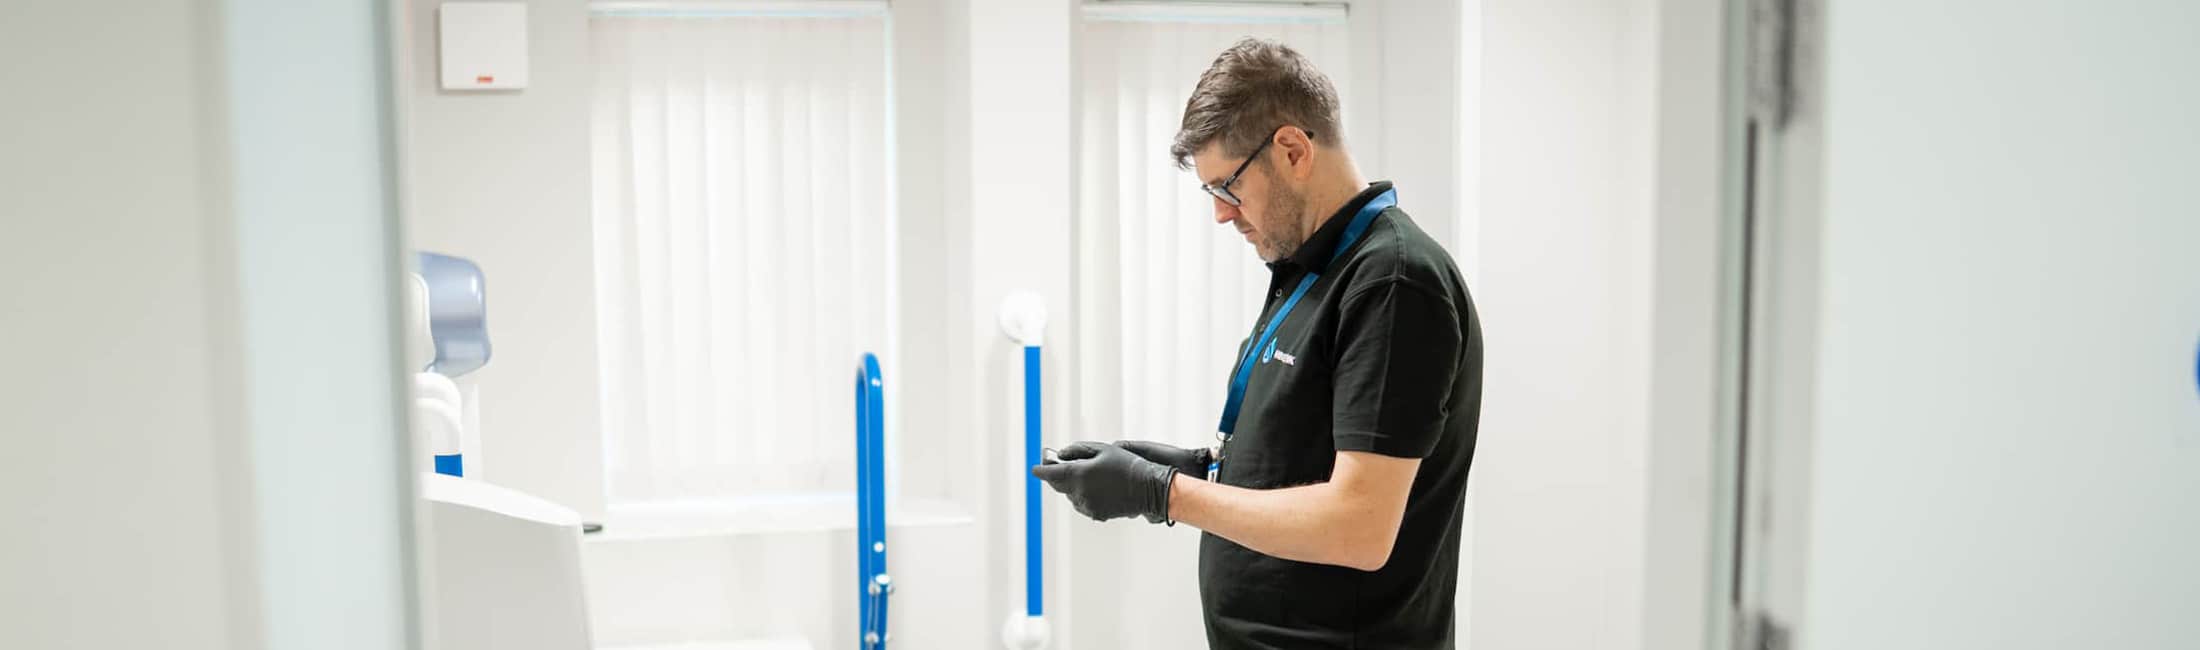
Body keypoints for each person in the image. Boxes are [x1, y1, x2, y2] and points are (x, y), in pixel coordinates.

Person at [1031, 38, 1485, 649]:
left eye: (1228, 188)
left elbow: (1361, 526)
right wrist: (1196, 468)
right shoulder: (1311, 271)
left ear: (1293, 149)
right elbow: (1305, 461)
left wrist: (1162, 493)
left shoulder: (1393, 281)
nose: (1222, 215)